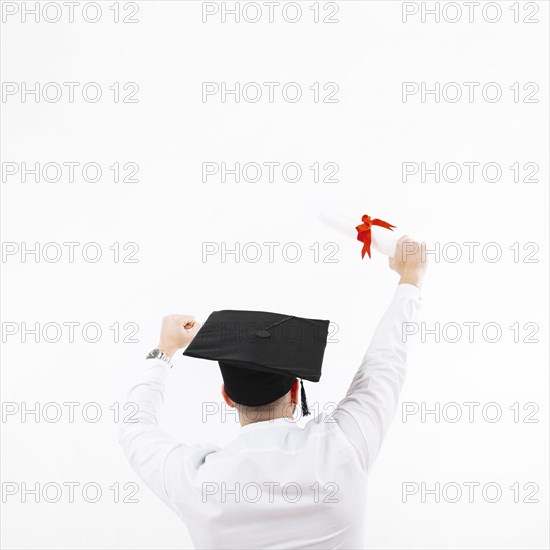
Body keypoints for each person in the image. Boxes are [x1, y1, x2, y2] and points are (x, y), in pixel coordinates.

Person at [119, 236, 427, 549]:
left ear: (226, 396)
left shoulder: (197, 482)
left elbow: (135, 428)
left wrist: (165, 350)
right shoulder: (344, 446)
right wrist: (410, 279)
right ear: (295, 390)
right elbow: (384, 365)